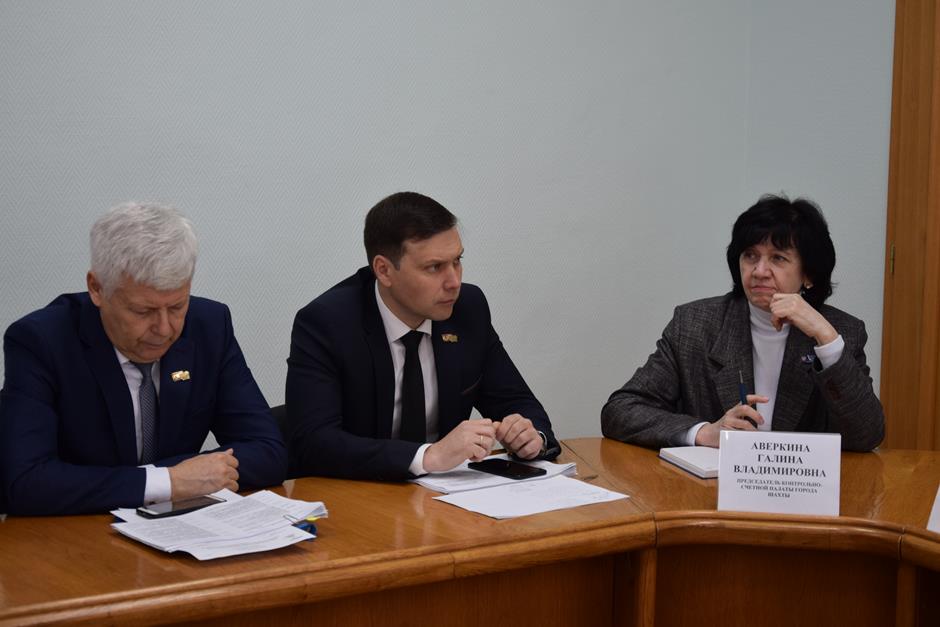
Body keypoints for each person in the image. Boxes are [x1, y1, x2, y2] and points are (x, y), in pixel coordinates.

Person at [0, 203, 287, 515]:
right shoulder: (42, 342)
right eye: (143, 311)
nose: (164, 328)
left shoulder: (209, 326)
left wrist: (178, 479)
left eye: (177, 306)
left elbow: (268, 451)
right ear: (97, 288)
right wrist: (168, 482)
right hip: (73, 534)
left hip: (177, 532)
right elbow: (25, 482)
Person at [286, 191, 559, 480]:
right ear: (384, 270)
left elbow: (516, 401)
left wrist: (530, 437)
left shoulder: (468, 309)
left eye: (457, 261)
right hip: (357, 493)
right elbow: (314, 443)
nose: (454, 282)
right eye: (434, 267)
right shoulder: (327, 323)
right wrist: (428, 457)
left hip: (445, 497)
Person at [601, 194, 885, 452]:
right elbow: (620, 410)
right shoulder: (694, 325)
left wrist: (826, 339)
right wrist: (704, 432)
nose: (759, 271)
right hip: (711, 487)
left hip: (803, 489)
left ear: (808, 273)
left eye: (778, 258)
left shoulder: (842, 332)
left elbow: (867, 436)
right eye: (750, 256)